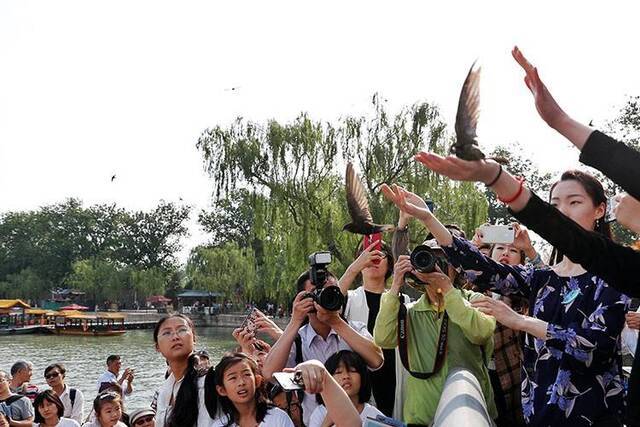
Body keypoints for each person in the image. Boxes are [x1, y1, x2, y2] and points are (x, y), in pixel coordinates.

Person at [384, 170, 629, 426]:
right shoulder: (543, 277)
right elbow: (479, 268)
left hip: (594, 415)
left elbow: (594, 349)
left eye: (574, 202)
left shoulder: (614, 275)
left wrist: (522, 322)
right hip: (539, 416)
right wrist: (428, 217)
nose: (561, 212)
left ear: (600, 210)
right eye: (555, 204)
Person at [372, 199, 497, 426]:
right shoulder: (408, 312)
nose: (436, 266)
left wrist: (448, 290)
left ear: (455, 267)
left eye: (443, 259)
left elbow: (481, 332)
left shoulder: (476, 300)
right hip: (422, 418)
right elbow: (382, 339)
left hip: (469, 417)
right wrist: (395, 287)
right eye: (430, 259)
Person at [262, 271, 384, 426]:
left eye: (332, 290)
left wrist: (336, 322)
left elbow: (377, 360)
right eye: (317, 293)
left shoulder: (354, 329)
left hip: (361, 420)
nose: (326, 296)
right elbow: (268, 374)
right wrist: (295, 320)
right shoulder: (298, 340)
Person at [337, 240, 406, 416]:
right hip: (357, 382)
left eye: (380, 255)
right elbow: (327, 306)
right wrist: (353, 268)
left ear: (390, 263)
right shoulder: (349, 298)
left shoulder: (403, 301)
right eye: (366, 254)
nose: (373, 259)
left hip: (395, 379)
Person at [153, 314, 213, 427]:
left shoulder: (208, 383)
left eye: (182, 330)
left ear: (194, 339)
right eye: (167, 333)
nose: (175, 337)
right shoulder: (164, 390)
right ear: (157, 347)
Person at [209, 353, 294, 427]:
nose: (241, 382)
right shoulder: (219, 425)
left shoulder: (278, 418)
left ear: (257, 381)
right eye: (233, 378)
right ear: (222, 390)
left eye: (246, 374)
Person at [308, 350, 384, 427]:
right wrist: (326, 423)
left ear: (363, 377)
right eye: (338, 372)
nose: (346, 376)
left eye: (352, 371)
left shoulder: (374, 416)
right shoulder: (320, 413)